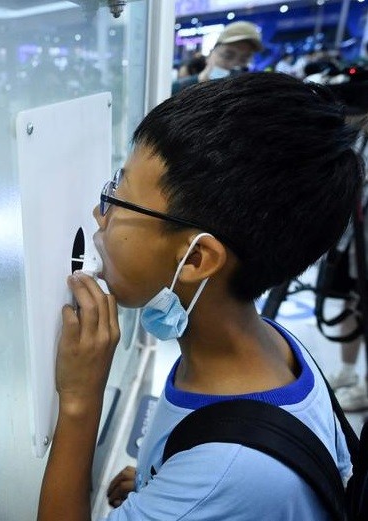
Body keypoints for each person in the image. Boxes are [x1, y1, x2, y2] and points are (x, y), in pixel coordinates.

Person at [38, 72, 361, 520]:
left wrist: (79, 400)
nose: (100, 212)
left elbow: (228, 480)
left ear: (195, 260)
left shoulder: (225, 476)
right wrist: (167, 475)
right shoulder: (265, 341)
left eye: (119, 198)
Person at [172, 21, 263, 95]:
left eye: (244, 59)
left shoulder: (246, 96)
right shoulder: (176, 90)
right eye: (228, 56)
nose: (233, 64)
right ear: (211, 54)